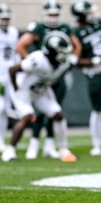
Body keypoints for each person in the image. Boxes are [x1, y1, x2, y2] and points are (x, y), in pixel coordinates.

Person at [15, 0, 81, 159]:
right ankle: (34, 142)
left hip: (57, 74)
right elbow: (21, 46)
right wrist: (30, 63)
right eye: (50, 14)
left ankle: (51, 145)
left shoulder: (65, 28)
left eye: (56, 14)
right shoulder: (38, 28)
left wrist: (72, 60)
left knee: (55, 111)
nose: (53, 17)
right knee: (38, 113)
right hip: (39, 75)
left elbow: (76, 46)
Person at [1, 31, 77, 162]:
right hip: (23, 89)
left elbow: (57, 74)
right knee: (27, 116)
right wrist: (16, 88)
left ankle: (64, 150)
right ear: (52, 53)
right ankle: (10, 151)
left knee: (58, 114)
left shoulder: (64, 63)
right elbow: (12, 70)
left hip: (41, 91)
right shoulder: (37, 60)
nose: (64, 55)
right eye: (61, 52)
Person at [70, 0, 101, 156]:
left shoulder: (97, 23)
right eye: (88, 13)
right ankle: (96, 145)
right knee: (97, 110)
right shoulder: (75, 33)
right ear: (81, 16)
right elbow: (74, 60)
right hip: (93, 73)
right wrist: (93, 61)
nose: (91, 15)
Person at [0, 3, 20, 153]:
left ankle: (2, 139)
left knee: (6, 109)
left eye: (6, 18)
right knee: (0, 108)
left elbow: (16, 51)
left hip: (9, 74)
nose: (4, 21)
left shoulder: (13, 32)